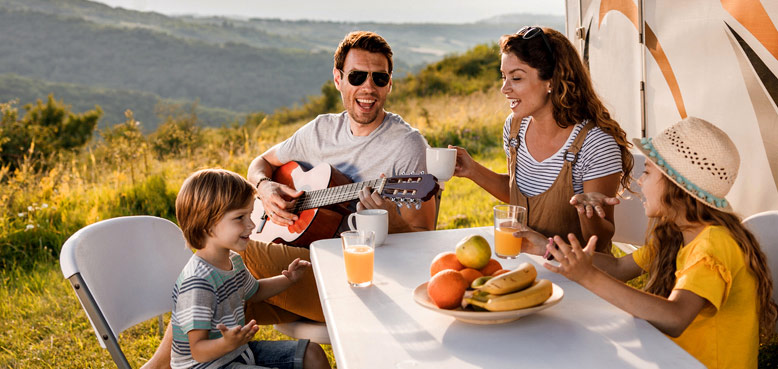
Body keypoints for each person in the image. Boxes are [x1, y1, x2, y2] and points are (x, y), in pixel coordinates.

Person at [141, 31, 433, 369]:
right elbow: (259, 164)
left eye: (379, 78)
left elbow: (423, 242)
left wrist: (391, 219)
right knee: (219, 290)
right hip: (304, 266)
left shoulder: (407, 145)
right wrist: (265, 188)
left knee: (231, 251)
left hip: (364, 280)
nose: (368, 87)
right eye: (357, 76)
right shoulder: (321, 130)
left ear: (389, 84)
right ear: (338, 79)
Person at [543, 117, 777, 368]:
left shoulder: (713, 243)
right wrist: (544, 247)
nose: (639, 181)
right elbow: (618, 268)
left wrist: (588, 276)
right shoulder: (678, 233)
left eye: (647, 172)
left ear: (676, 186)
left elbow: (675, 317)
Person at [449, 26, 633, 253]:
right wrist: (472, 170)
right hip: (527, 263)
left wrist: (588, 214)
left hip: (580, 277)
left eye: (516, 77)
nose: (504, 88)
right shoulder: (514, 127)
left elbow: (600, 239)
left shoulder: (596, 144)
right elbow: (522, 194)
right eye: (503, 76)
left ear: (551, 81)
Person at [170, 169, 330, 369]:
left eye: (249, 215)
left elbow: (255, 291)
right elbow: (198, 351)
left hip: (238, 352)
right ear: (207, 225)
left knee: (312, 354)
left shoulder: (233, 261)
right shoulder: (197, 283)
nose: (252, 225)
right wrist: (226, 343)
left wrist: (288, 279)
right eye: (240, 218)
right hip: (209, 365)